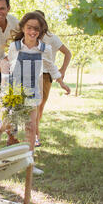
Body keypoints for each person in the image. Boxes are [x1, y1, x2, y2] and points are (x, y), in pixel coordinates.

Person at [0, 12, 68, 175]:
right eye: (29, 28)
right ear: (23, 28)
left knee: (31, 127)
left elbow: (50, 66)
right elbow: (9, 67)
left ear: (41, 31)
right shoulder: (15, 47)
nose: (32, 32)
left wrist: (61, 82)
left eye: (36, 29)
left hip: (33, 91)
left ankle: (29, 163)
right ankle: (0, 128)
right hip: (15, 92)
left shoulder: (45, 49)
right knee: (10, 124)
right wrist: (5, 85)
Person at [34, 10, 71, 147]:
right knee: (34, 107)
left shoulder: (52, 38)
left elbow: (68, 53)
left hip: (45, 75)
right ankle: (33, 135)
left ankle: (35, 134)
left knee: (40, 107)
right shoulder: (30, 36)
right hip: (31, 73)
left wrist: (62, 71)